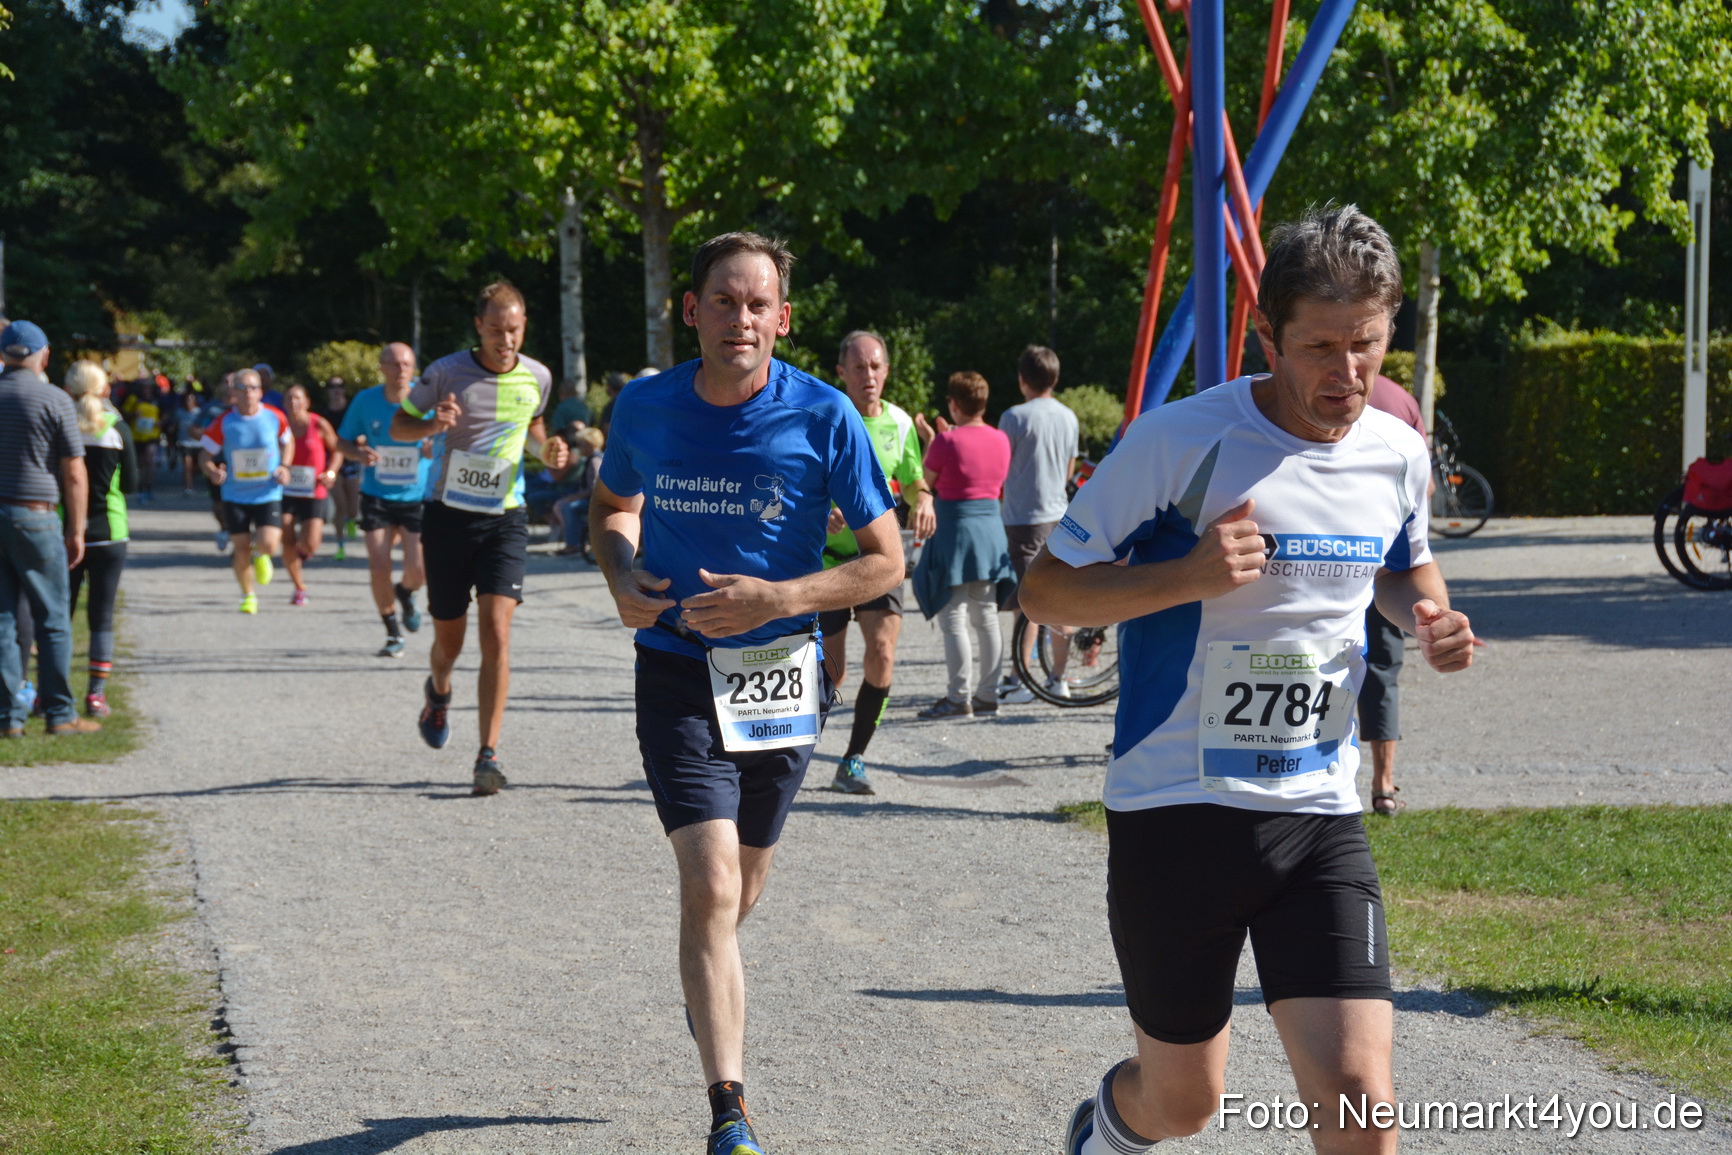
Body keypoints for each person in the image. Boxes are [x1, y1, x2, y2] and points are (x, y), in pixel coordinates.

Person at [1019, 205, 1478, 1155]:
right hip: (1177, 808)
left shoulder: (1395, 449)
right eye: (1319, 346)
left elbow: (1401, 566)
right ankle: (1105, 1129)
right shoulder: (1181, 440)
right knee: (1184, 1103)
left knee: (1360, 1098)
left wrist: (1429, 616)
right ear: (1267, 334)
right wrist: (1186, 576)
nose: (1347, 375)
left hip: (1317, 812)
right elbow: (1047, 591)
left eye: (1368, 346)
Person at [590, 231, 898, 1155]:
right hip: (679, 671)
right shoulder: (643, 407)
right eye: (724, 301)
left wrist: (784, 597)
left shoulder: (825, 414)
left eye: (758, 304)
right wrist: (620, 569)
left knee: (739, 893)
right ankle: (731, 1114)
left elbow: (889, 559)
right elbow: (611, 511)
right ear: (692, 310)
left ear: (783, 318)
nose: (741, 319)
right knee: (710, 881)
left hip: (780, 679)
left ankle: (706, 978)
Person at [392, 281, 569, 795]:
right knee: (449, 641)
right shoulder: (447, 372)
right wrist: (430, 422)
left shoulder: (537, 375)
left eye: (513, 330)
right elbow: (401, 425)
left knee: (497, 628)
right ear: (479, 327)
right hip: (448, 517)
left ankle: (487, 755)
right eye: (495, 331)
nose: (505, 340)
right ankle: (439, 691)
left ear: (524, 326)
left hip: (505, 518)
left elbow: (533, 431)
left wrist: (550, 451)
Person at [818, 329, 934, 792]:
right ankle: (793, 749)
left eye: (876, 366)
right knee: (833, 670)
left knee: (882, 653)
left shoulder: (902, 424)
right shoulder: (826, 419)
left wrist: (924, 500)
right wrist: (822, 513)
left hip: (881, 560)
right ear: (841, 372)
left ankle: (853, 759)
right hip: (829, 563)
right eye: (859, 366)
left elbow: (913, 481)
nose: (869, 375)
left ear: (886, 371)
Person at [0, 320, 101, 736]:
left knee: (3, 620)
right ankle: (60, 713)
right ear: (43, 355)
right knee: (53, 617)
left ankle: (8, 718)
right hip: (36, 515)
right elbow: (74, 473)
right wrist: (76, 530)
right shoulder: (55, 399)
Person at [911, 371, 1013, 720]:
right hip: (990, 530)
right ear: (983, 403)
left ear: (953, 405)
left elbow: (925, 483)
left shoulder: (947, 442)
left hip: (955, 530)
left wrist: (931, 439)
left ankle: (958, 698)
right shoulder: (1001, 439)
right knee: (986, 616)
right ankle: (988, 695)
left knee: (953, 616)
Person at [338, 342, 436, 657]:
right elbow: (341, 442)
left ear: (414, 369)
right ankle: (392, 631)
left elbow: (445, 438)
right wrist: (357, 452)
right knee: (379, 566)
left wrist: (434, 448)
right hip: (377, 495)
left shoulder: (425, 401)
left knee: (418, 571)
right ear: (381, 368)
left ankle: (405, 593)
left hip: (415, 496)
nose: (400, 370)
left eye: (406, 364)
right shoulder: (365, 401)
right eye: (393, 364)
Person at [995, 344, 1079, 704]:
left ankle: (1020, 676)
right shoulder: (1068, 416)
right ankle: (1058, 676)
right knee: (1060, 595)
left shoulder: (1013, 416)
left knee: (1027, 599)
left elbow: (1001, 468)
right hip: (1059, 513)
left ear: (1021, 379)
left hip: (1022, 517)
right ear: (1056, 379)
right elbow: (1070, 468)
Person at [1360, 373, 1427, 817]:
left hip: (1313, 551)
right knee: (1383, 665)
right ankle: (1383, 783)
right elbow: (1422, 497)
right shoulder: (1402, 401)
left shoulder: (1291, 388)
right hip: (1385, 555)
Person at [63, 361, 136, 717]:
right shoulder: (116, 427)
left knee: (60, 616)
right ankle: (95, 695)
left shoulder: (60, 426)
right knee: (101, 616)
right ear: (105, 389)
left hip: (65, 531)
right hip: (109, 531)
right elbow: (133, 484)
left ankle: (53, 694)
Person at [199, 367, 293, 614]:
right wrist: (212, 471)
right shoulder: (224, 422)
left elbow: (288, 442)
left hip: (267, 492)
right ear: (234, 393)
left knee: (269, 544)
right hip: (235, 494)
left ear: (261, 391)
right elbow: (204, 455)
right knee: (241, 547)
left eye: (253, 388)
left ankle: (262, 555)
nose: (249, 393)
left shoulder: (275, 417)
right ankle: (248, 595)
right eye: (243, 388)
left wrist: (284, 466)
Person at [280, 384, 342, 606]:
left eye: (298, 398)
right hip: (286, 490)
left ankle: (299, 554)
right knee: (285, 532)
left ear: (307, 402)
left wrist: (331, 472)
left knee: (310, 544)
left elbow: (338, 450)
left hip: (314, 490)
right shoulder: (280, 426)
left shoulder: (318, 423)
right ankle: (299, 586)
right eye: (289, 398)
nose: (293, 403)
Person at [322, 378, 361, 558]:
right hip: (331, 460)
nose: (336, 390)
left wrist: (362, 440)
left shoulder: (351, 409)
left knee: (352, 507)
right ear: (328, 390)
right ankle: (340, 545)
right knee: (340, 505)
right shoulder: (323, 413)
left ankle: (351, 520)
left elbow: (362, 429)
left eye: (340, 386)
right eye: (332, 386)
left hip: (351, 458)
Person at [551, 426, 604, 558]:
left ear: (589, 445)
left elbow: (594, 488)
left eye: (580, 444)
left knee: (568, 507)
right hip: (591, 498)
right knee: (565, 504)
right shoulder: (593, 458)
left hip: (596, 500)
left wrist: (574, 497)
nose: (578, 447)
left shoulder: (595, 461)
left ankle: (572, 544)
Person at [122, 377, 162, 502]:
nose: (146, 389)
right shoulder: (133, 400)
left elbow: (165, 414)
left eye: (149, 387)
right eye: (144, 387)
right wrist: (133, 415)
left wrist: (161, 422)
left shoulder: (156, 400)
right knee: (140, 464)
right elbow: (123, 413)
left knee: (149, 461)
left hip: (152, 436)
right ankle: (139, 489)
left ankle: (149, 489)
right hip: (137, 436)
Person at [176, 390, 204, 494]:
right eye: (187, 400)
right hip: (185, 443)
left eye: (191, 400)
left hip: (198, 444)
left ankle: (195, 480)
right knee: (187, 465)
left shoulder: (200, 413)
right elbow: (174, 425)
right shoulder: (180, 413)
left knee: (197, 467)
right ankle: (189, 487)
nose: (189, 402)